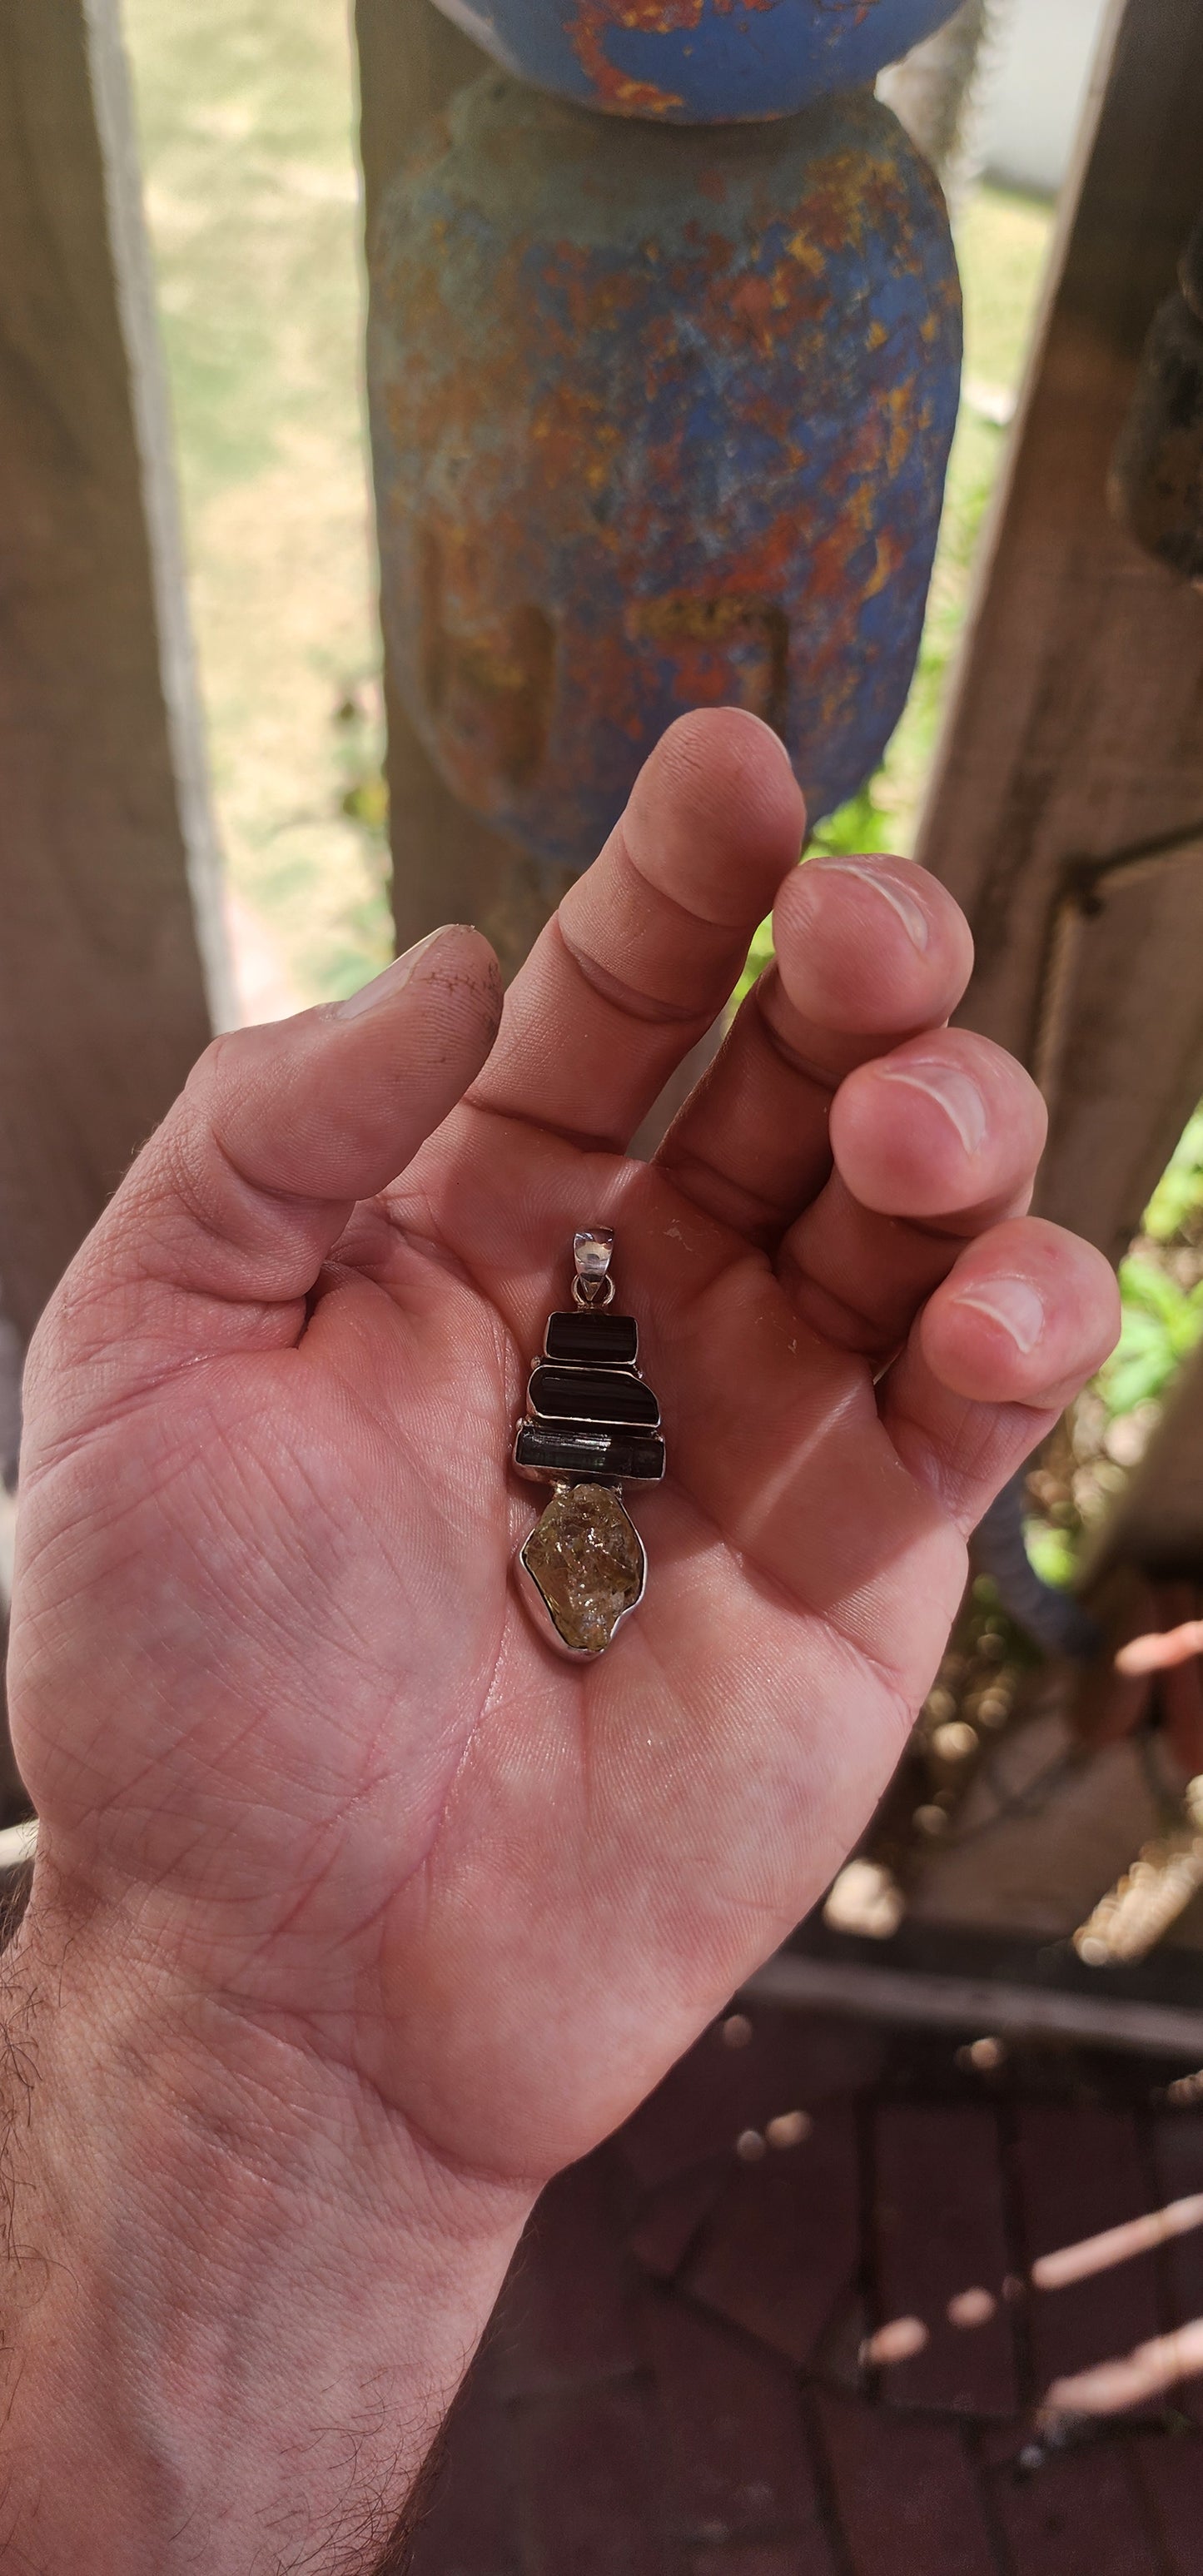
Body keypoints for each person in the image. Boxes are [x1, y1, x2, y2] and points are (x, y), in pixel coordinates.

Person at [0, 712, 1116, 2569]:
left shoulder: (601, 1424)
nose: (586, 1591)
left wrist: (235, 2047)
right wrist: (221, 2006)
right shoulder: (546, 1438)